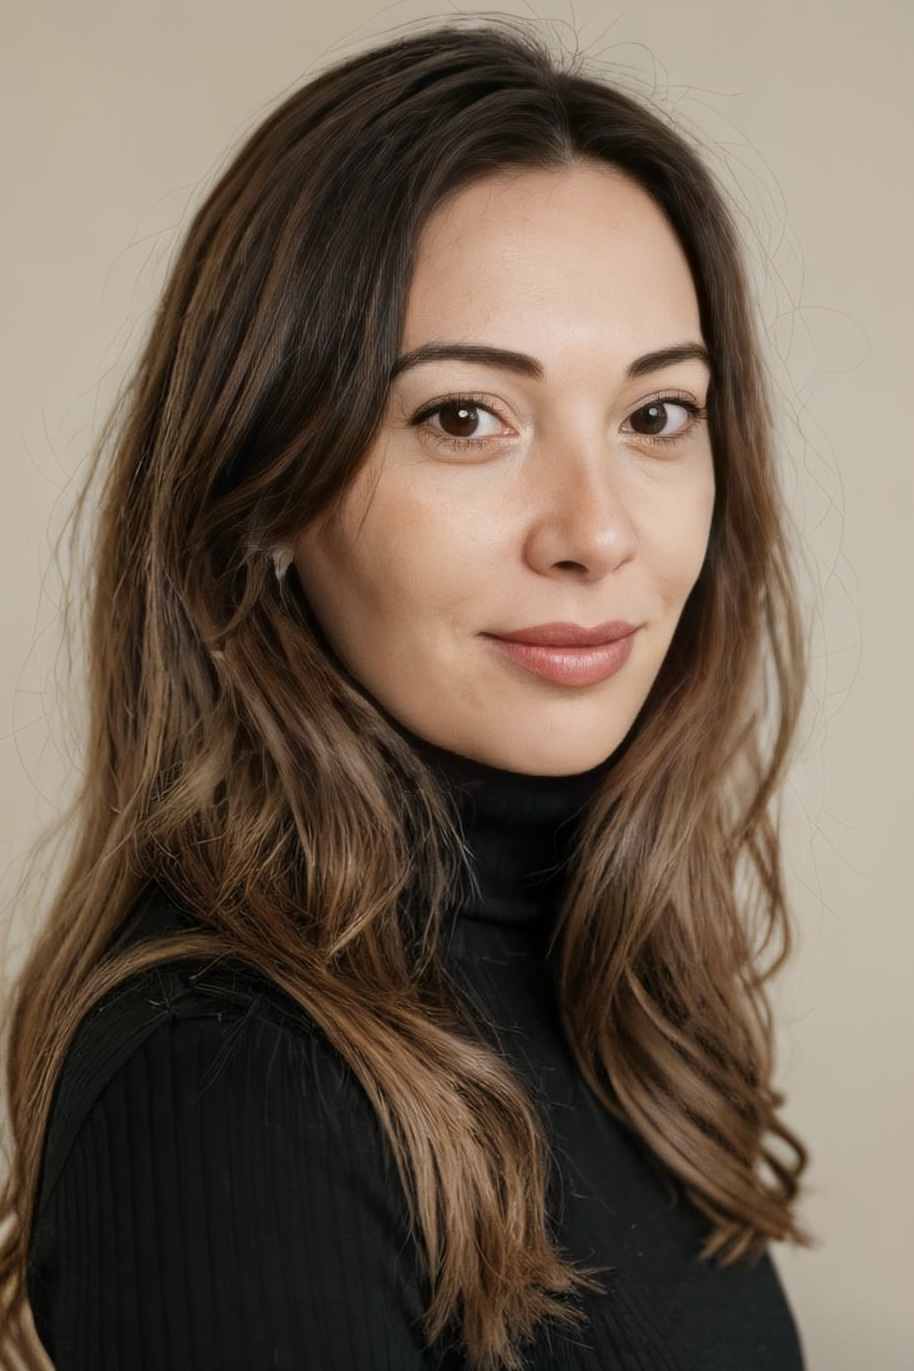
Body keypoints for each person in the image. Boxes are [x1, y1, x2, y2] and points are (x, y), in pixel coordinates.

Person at [0, 21, 811, 1370]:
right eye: (463, 417)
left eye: (655, 415)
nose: (595, 532)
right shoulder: (226, 1088)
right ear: (265, 491)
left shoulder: (617, 1005)